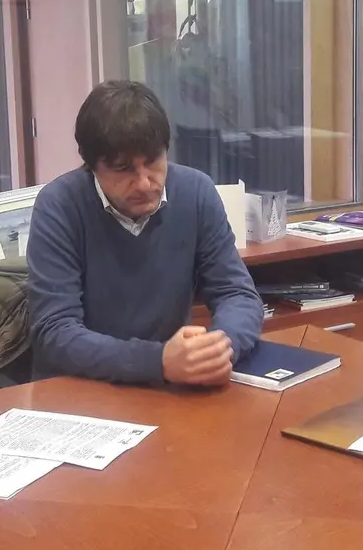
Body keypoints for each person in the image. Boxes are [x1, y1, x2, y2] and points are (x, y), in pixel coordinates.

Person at [26, 80, 263, 386]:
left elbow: (237, 293)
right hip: (82, 390)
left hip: (168, 385)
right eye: (123, 169)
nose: (144, 183)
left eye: (152, 162)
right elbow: (54, 332)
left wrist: (218, 349)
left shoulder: (196, 192)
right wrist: (158, 361)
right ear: (92, 166)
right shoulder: (59, 205)